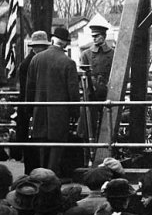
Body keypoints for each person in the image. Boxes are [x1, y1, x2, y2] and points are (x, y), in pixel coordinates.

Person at [26, 27, 80, 176]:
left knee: (42, 147)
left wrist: (30, 109)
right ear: (65, 44)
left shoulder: (36, 59)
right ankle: (52, 178)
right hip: (59, 113)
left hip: (39, 111)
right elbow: (73, 92)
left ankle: (41, 176)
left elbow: (29, 88)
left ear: (52, 40)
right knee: (56, 148)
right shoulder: (68, 62)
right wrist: (76, 112)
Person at [16, 31, 50, 174]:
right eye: (40, 47)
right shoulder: (29, 64)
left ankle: (32, 170)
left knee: (33, 141)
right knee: (31, 142)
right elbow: (29, 89)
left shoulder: (32, 61)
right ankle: (31, 171)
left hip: (30, 105)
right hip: (30, 107)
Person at [79, 24, 114, 140]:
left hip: (107, 93)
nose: (94, 38)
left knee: (107, 124)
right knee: (89, 125)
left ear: (103, 36)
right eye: (93, 36)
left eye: (97, 36)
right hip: (91, 94)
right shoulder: (86, 54)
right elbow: (83, 76)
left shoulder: (112, 54)